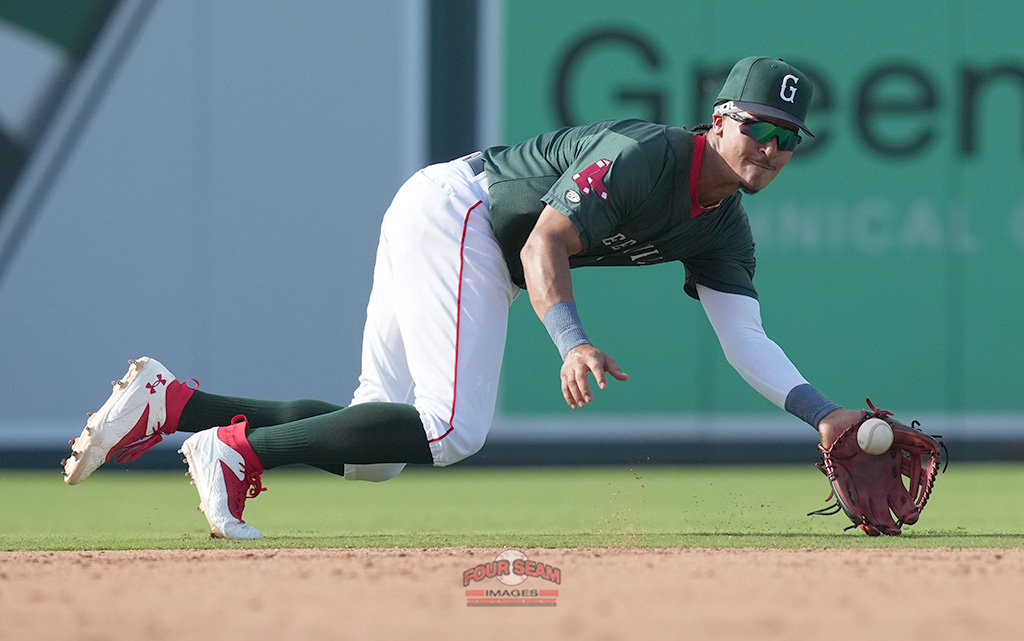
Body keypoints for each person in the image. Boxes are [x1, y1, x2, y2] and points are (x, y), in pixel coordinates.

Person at [62, 57, 865, 539]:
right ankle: (237, 452)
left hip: (462, 227)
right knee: (451, 430)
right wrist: (571, 339)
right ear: (720, 119)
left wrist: (823, 413)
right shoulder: (649, 154)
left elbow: (744, 339)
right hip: (465, 213)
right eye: (759, 126)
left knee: (375, 449)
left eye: (789, 138)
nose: (771, 147)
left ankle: (178, 406)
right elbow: (544, 240)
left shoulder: (723, 227)